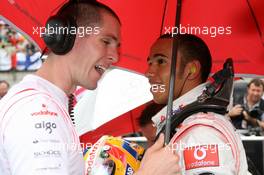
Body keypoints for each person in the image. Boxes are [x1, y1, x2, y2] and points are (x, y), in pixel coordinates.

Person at [0, 1, 180, 175]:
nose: (115, 57)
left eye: (117, 46)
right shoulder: (40, 110)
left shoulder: (44, 103)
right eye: (105, 41)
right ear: (68, 36)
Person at [145, 33, 250, 174]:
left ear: (192, 70)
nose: (148, 72)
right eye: (150, 63)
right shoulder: (187, 124)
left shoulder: (200, 132)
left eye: (161, 61)